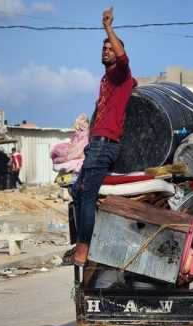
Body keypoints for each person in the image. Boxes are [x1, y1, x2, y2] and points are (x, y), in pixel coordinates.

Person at [72, 7, 137, 266]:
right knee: (77, 190)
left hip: (104, 146)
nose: (106, 50)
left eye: (110, 47)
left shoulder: (119, 73)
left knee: (87, 193)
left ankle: (84, 247)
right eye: (104, 47)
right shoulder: (110, 79)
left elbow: (124, 62)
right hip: (97, 146)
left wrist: (108, 28)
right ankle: (86, 241)